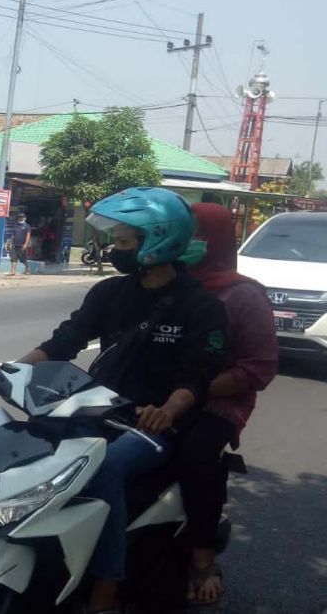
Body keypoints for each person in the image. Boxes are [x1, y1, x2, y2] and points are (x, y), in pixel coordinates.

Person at [0, 187, 227, 614]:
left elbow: (198, 375)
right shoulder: (110, 293)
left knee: (104, 466)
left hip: (150, 425)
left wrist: (167, 410)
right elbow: (66, 340)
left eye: (124, 241)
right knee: (26, 447)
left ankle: (107, 584)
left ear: (157, 242)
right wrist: (10, 369)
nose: (115, 249)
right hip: (94, 408)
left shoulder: (199, 306)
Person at [176, 202, 278, 606]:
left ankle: (203, 558)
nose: (186, 243)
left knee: (195, 452)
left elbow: (259, 368)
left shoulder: (243, 295)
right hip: (156, 394)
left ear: (215, 241)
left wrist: (193, 393)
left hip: (217, 403)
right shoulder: (166, 283)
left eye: (195, 236)